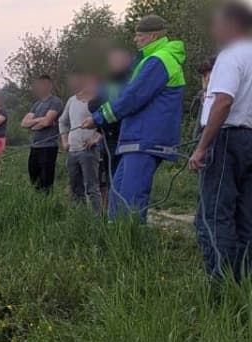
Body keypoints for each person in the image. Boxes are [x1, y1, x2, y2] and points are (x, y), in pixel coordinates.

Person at [84, 15, 186, 222]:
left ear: (154, 35)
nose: (135, 39)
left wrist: (99, 117)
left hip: (145, 138)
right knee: (118, 194)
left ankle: (131, 248)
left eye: (140, 35)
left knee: (130, 199)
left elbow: (133, 97)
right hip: (135, 138)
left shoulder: (159, 60)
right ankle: (116, 244)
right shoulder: (151, 59)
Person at [189, 1, 252, 280]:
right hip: (249, 138)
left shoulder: (231, 56)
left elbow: (224, 100)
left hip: (225, 139)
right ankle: (245, 279)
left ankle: (221, 285)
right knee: (246, 217)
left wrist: (202, 146)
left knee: (215, 214)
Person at [60, 71, 105, 212]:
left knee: (92, 187)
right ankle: (80, 218)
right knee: (75, 187)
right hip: (72, 150)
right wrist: (64, 141)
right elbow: (63, 121)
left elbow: (107, 121)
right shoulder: (72, 100)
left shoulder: (99, 100)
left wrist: (96, 137)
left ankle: (97, 219)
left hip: (89, 150)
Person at [98, 48, 136, 212]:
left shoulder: (132, 80)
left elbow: (125, 106)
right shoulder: (105, 82)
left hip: (125, 135)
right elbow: (94, 103)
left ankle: (124, 215)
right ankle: (110, 216)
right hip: (106, 137)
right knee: (108, 179)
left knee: (122, 178)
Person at [21, 75, 64, 193]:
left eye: (45, 84)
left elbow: (47, 121)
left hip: (48, 146)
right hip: (35, 146)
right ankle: (37, 206)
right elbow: (24, 123)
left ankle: (47, 206)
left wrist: (36, 123)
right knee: (34, 180)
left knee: (46, 182)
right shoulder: (36, 104)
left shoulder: (55, 102)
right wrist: (38, 121)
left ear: (50, 86)